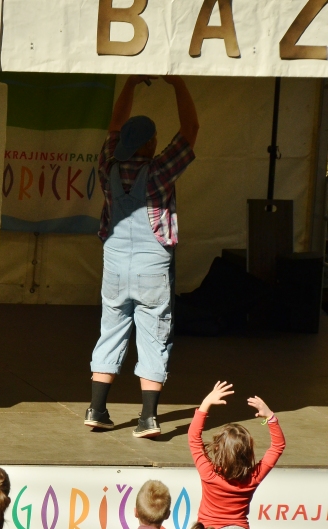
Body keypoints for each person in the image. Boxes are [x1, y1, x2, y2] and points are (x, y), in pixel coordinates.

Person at [85, 75, 199, 438]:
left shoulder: (107, 166)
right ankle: (148, 418)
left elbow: (114, 127)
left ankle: (97, 409)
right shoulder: (159, 171)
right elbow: (190, 130)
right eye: (153, 138)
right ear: (149, 144)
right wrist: (178, 85)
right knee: (154, 336)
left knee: (110, 331)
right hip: (152, 267)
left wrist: (130, 85)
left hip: (115, 264)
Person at [189, 381, 285, 529]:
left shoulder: (208, 474)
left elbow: (193, 438)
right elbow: (277, 446)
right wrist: (270, 417)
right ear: (248, 453)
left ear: (217, 449)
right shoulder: (252, 478)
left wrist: (206, 403)